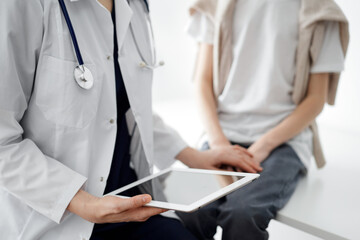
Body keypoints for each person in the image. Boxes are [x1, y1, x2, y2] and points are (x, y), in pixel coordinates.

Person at [0, 0, 263, 239]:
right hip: (57, 220)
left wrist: (193, 156)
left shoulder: (135, 5)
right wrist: (83, 203)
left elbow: (126, 107)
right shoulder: (23, 6)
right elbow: (3, 143)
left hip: (132, 207)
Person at [178, 0, 349, 239]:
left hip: (283, 141)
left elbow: (316, 98)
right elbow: (202, 82)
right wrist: (219, 145)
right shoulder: (214, 4)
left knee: (243, 214)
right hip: (222, 135)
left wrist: (264, 145)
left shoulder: (321, 12)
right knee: (191, 211)